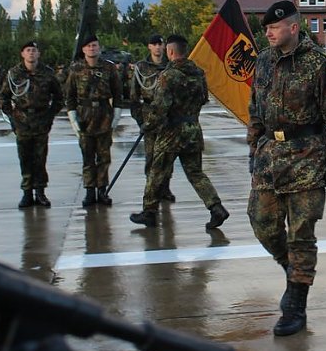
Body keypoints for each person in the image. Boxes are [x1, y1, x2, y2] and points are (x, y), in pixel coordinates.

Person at [247, 0, 326, 337]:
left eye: (274, 27)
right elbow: (254, 109)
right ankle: (293, 271)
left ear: (293, 27)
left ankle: (295, 303)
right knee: (261, 222)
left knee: (301, 235)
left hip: (307, 159)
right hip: (269, 156)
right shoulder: (263, 62)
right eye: (266, 28)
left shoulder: (320, 65)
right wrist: (254, 147)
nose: (268, 32)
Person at [129, 35, 228, 229]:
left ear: (171, 52)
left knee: (156, 172)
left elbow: (160, 108)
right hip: (193, 129)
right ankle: (216, 208)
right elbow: (203, 99)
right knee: (196, 173)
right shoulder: (199, 73)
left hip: (171, 132)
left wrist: (147, 125)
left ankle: (149, 212)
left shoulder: (168, 75)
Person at [0, 41, 64, 209]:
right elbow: (3, 97)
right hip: (22, 121)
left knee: (40, 158)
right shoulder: (14, 73)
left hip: (41, 120)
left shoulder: (47, 73)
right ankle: (27, 193)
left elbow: (59, 98)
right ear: (22, 54)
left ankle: (40, 192)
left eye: (34, 50)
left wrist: (50, 115)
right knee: (25, 158)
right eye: (28, 50)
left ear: (38, 54)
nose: (31, 53)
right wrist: (12, 118)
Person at [65, 34, 123, 207]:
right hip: (84, 116)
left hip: (104, 115)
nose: (92, 48)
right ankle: (90, 191)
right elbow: (70, 97)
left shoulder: (109, 68)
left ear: (99, 48)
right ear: (83, 49)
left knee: (104, 157)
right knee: (88, 157)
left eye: (95, 45)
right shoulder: (75, 69)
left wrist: (116, 117)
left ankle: (102, 190)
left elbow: (117, 94)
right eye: (89, 46)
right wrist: (73, 119)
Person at [130, 34, 175, 203]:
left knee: (167, 156)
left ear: (164, 47)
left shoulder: (170, 66)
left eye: (160, 44)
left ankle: (165, 187)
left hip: (167, 117)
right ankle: (151, 190)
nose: (157, 47)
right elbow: (134, 97)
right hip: (149, 114)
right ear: (149, 46)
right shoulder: (142, 67)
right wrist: (140, 120)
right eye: (154, 44)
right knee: (151, 156)